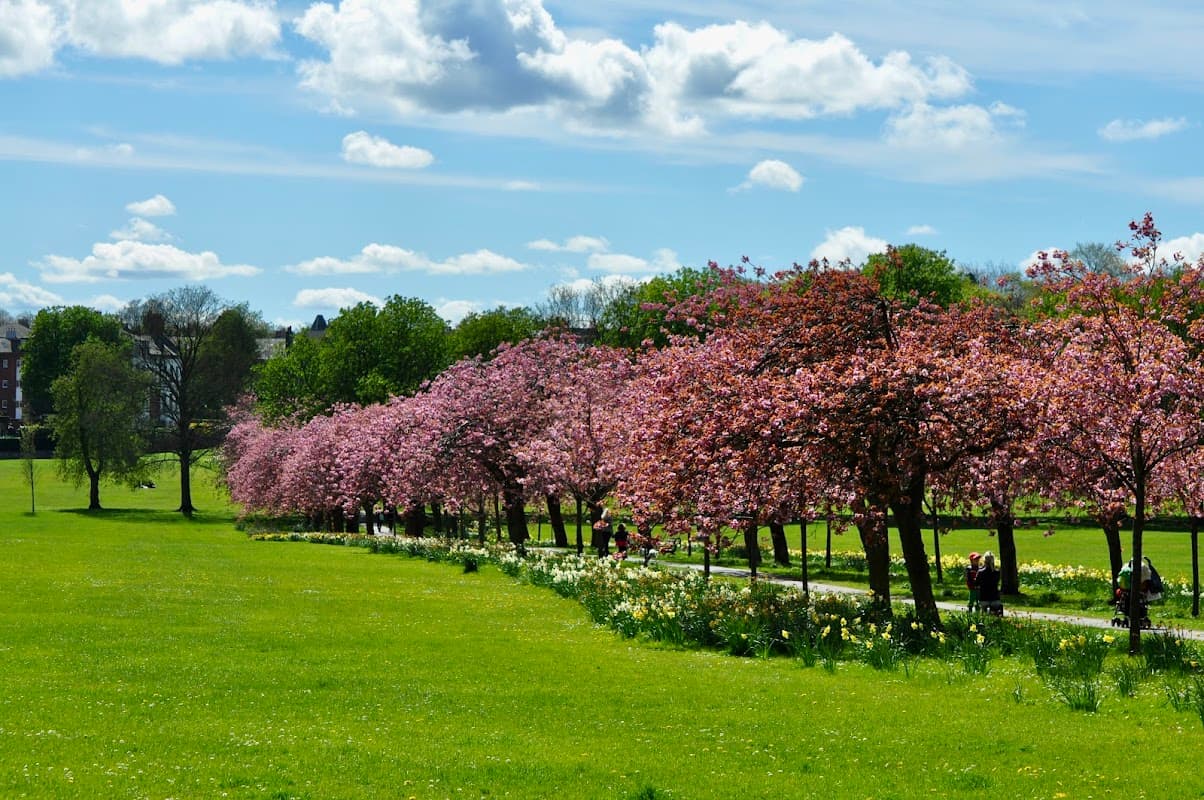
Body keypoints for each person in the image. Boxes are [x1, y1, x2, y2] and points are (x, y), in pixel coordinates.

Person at [978, 551, 1003, 616]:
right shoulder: (997, 572)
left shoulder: (980, 572)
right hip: (995, 597)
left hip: (983, 597)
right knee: (995, 616)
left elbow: (976, 583)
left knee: (983, 616)